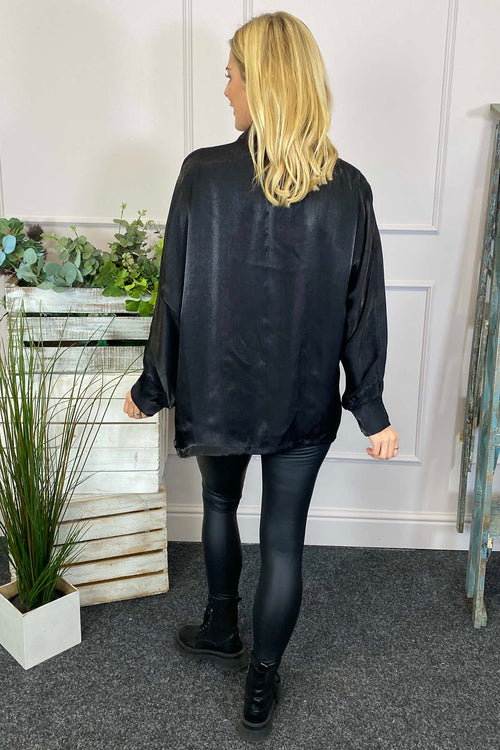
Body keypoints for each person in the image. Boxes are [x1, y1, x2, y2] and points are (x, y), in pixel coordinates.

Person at [123, 10, 399, 743]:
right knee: (284, 540)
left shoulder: (202, 174)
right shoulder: (348, 188)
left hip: (219, 390)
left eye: (231, 76)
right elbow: (363, 307)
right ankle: (262, 677)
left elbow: (174, 294)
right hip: (303, 399)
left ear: (264, 84)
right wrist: (369, 408)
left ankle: (223, 629)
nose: (225, 91)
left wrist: (152, 388)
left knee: (219, 504)